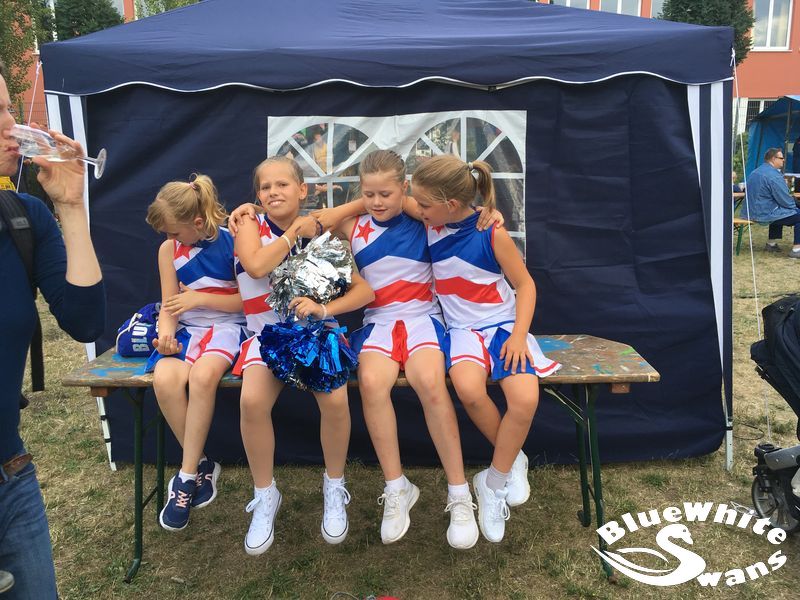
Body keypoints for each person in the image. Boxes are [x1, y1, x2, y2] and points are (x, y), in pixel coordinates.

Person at [315, 149, 480, 549]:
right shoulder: (352, 226)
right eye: (368, 194)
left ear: (404, 188)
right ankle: (396, 487)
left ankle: (460, 494)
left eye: (385, 194)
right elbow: (307, 222)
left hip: (423, 318)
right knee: (372, 384)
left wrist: (489, 214)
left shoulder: (424, 218)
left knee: (429, 381)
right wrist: (250, 210)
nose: (376, 202)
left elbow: (463, 212)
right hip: (379, 323)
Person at [409, 155, 561, 543]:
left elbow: (525, 285)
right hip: (462, 331)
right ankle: (513, 458)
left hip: (504, 328)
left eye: (423, 205)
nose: (417, 210)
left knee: (525, 400)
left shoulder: (492, 232)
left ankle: (492, 482)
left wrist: (518, 336)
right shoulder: (431, 218)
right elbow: (391, 201)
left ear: (451, 204)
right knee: (468, 389)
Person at [231, 156, 373, 555]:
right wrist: (295, 229)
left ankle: (334, 485)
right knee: (252, 402)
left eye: (282, 184)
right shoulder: (249, 225)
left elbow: (365, 291)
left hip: (316, 335)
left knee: (336, 400)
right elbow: (256, 266)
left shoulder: (323, 236)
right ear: (257, 196)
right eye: (265, 187)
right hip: (265, 336)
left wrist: (325, 310)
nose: (273, 192)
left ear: (302, 190)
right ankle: (265, 494)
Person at [0, 59, 105, 599]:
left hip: (10, 476)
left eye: (7, 109)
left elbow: (85, 321)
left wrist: (70, 206)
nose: (12, 127)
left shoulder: (23, 217)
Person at [145, 174, 247, 531]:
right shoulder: (168, 250)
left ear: (198, 222)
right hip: (188, 332)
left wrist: (200, 298)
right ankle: (202, 463)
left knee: (203, 377)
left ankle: (186, 478)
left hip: (227, 329)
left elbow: (249, 303)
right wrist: (165, 337)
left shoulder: (233, 242)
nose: (169, 239)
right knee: (164, 379)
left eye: (174, 232)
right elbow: (169, 306)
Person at [744, 148, 800, 258]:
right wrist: (796, 204)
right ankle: (796, 250)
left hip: (749, 212)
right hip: (764, 213)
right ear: (773, 159)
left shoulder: (755, 172)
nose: (784, 160)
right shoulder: (774, 175)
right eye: (781, 158)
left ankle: (771, 243)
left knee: (778, 209)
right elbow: (785, 200)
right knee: (795, 213)